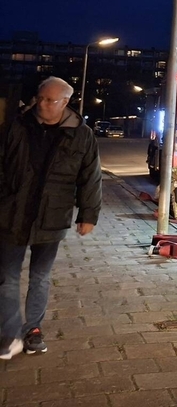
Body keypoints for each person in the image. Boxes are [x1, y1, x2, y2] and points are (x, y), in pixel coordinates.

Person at [0, 77, 102, 359]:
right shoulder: (17, 126)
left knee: (40, 276)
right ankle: (8, 334)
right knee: (6, 277)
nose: (42, 103)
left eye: (49, 100)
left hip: (52, 216)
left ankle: (32, 330)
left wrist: (88, 214)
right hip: (12, 214)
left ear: (65, 102)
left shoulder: (82, 135)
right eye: (40, 97)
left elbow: (90, 178)